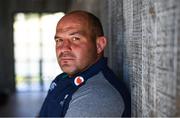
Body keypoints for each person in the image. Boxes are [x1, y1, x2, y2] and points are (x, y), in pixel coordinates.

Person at [38, 10, 131, 117]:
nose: (63, 48)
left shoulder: (96, 96)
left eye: (75, 38)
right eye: (59, 40)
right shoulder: (62, 78)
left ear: (99, 45)